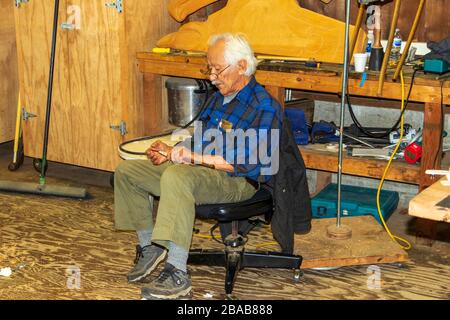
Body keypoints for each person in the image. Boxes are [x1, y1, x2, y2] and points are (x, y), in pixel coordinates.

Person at [114, 32, 282, 300]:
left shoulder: (264, 107)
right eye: (210, 68)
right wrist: (170, 152)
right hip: (200, 172)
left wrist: (187, 158)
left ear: (242, 66)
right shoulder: (218, 98)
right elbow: (199, 141)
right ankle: (152, 247)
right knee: (127, 172)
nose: (212, 76)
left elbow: (247, 163)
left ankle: (178, 272)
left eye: (218, 69)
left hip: (237, 181)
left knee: (179, 177)